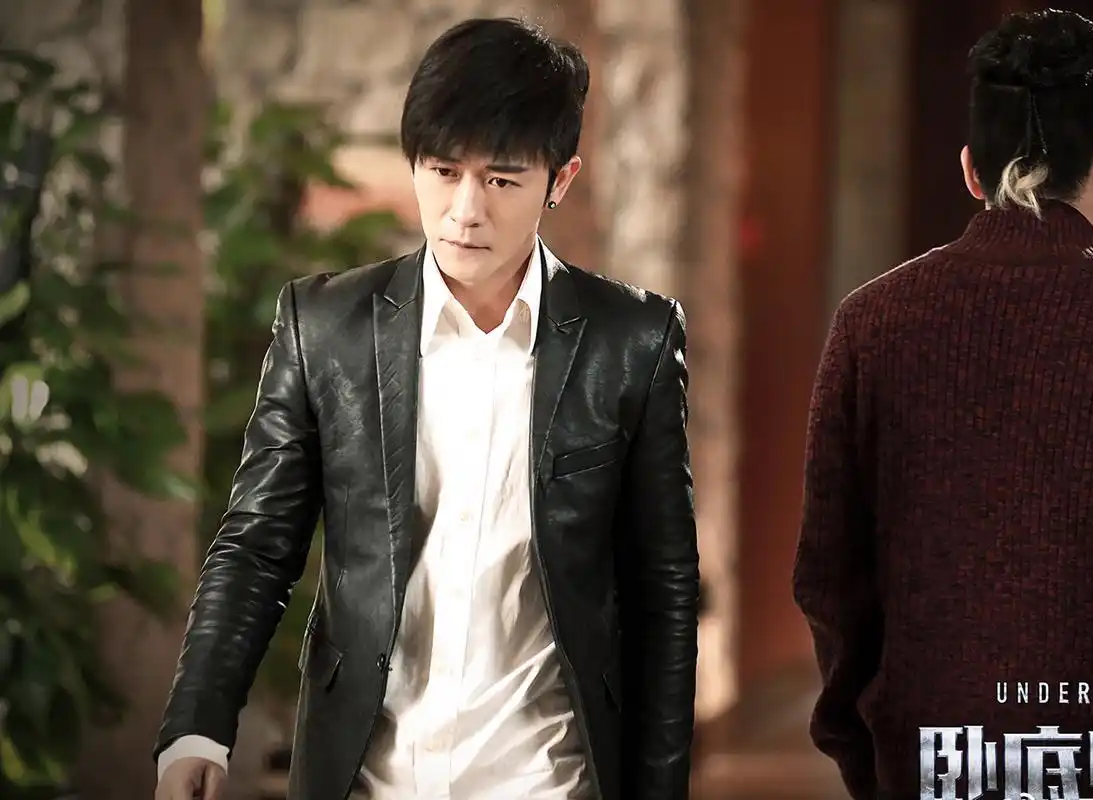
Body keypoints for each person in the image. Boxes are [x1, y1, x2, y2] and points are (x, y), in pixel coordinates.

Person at [153, 16, 699, 800]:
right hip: (369, 774)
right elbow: (256, 545)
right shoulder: (325, 328)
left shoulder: (632, 341)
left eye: (501, 181)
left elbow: (663, 587)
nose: (465, 210)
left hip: (548, 778)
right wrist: (197, 727)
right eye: (444, 171)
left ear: (561, 180)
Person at [793, 9, 1093, 799]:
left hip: (922, 759)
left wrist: (868, 751)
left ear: (972, 172)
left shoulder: (869, 323)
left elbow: (829, 575)